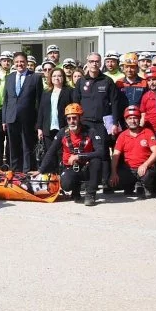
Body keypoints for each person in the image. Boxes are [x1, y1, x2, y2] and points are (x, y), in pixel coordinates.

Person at [35, 103, 104, 206]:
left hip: (87, 167)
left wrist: (79, 156)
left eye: (74, 118)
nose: (72, 121)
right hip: (70, 168)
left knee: (97, 161)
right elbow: (51, 151)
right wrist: (40, 170)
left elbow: (100, 152)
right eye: (69, 119)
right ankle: (75, 190)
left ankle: (90, 194)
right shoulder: (62, 132)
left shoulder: (91, 131)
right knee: (66, 184)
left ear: (80, 118)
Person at [73, 52, 121, 190]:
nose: (94, 64)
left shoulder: (107, 81)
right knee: (85, 151)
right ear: (87, 63)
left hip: (102, 123)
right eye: (92, 61)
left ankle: (106, 182)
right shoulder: (81, 82)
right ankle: (85, 181)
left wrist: (115, 123)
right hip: (85, 123)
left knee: (104, 152)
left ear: (100, 63)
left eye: (97, 61)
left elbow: (115, 103)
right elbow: (75, 104)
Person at [2, 52, 43, 172]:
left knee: (27, 146)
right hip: (11, 117)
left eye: (22, 62)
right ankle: (15, 171)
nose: (20, 64)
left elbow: (39, 102)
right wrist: (4, 119)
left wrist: (38, 121)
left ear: (26, 63)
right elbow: (6, 100)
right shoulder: (9, 78)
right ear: (14, 63)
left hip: (28, 118)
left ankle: (26, 171)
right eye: (17, 62)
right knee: (13, 146)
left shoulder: (35, 77)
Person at [109, 106, 156, 197]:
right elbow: (115, 155)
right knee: (118, 178)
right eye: (130, 118)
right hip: (129, 169)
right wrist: (113, 172)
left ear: (139, 119)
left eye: (135, 118)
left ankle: (146, 187)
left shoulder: (147, 132)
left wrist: (145, 165)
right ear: (126, 120)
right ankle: (130, 186)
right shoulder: (122, 135)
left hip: (145, 168)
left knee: (147, 176)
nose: (133, 121)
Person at [37, 68, 74, 152]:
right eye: (54, 76)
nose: (56, 78)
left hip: (64, 127)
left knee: (63, 152)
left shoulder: (70, 91)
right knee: (50, 153)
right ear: (50, 78)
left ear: (63, 77)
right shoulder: (46, 92)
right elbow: (41, 110)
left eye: (59, 76)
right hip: (48, 128)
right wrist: (39, 128)